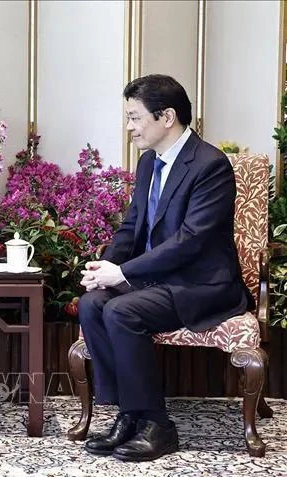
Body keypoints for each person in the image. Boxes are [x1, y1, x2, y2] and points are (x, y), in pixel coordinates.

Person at [78, 74, 253, 462]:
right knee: (91, 303)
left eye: (135, 118)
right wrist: (106, 265)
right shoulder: (147, 163)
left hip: (201, 283)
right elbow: (131, 226)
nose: (129, 128)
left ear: (167, 116)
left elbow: (191, 240)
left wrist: (123, 275)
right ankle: (128, 414)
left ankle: (158, 425)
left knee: (123, 310)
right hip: (157, 279)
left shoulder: (210, 165)